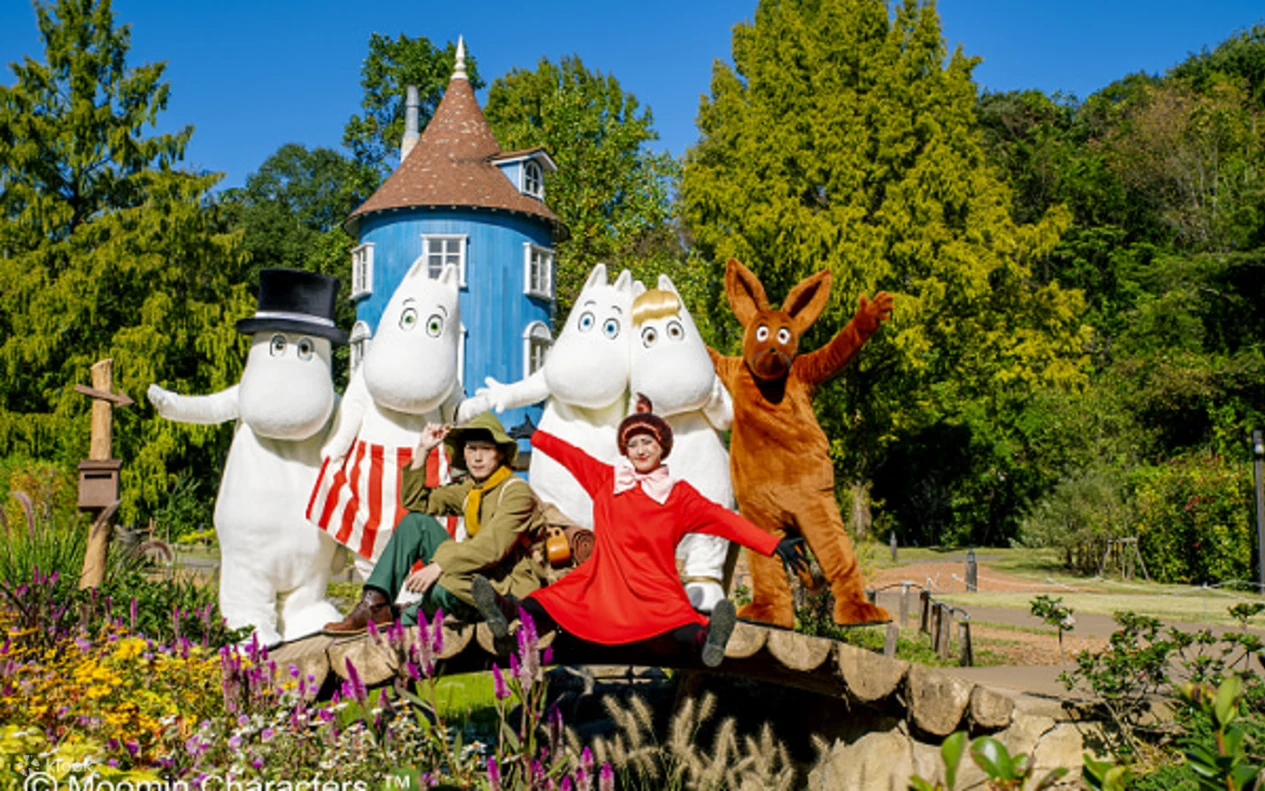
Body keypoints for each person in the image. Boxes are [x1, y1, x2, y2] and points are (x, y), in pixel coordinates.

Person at [472, 395, 808, 667]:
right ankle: (504, 611)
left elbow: (725, 520)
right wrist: (537, 436)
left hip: (654, 589)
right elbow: (573, 457)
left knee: (680, 623)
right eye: (633, 444)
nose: (641, 449)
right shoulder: (608, 480)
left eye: (648, 442)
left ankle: (708, 643)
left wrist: (772, 544)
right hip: (603, 582)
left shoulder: (679, 496)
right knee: (550, 601)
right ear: (625, 450)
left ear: (662, 447)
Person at [324, 412, 546, 634]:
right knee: (416, 523)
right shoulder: (471, 489)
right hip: (472, 574)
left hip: (506, 584)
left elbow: (492, 547)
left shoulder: (516, 492)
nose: (477, 458)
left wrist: (439, 565)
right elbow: (416, 502)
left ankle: (414, 613)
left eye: (486, 449)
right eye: (471, 449)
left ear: (500, 453)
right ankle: (375, 605)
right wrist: (423, 450)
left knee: (442, 588)